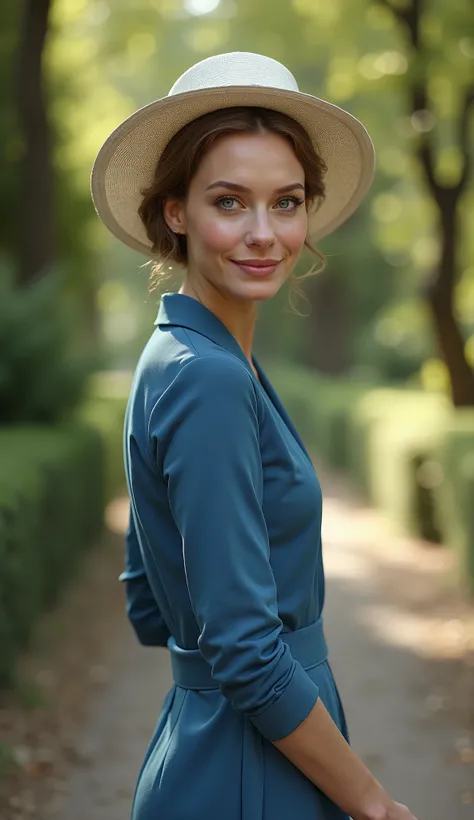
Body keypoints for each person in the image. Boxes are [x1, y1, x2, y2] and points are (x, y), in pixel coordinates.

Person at [91, 52, 419, 820]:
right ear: (175, 210)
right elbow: (242, 648)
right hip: (250, 772)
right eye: (231, 202)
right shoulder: (209, 376)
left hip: (216, 750)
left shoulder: (176, 353)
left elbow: (148, 601)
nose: (265, 234)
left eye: (287, 202)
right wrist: (374, 803)